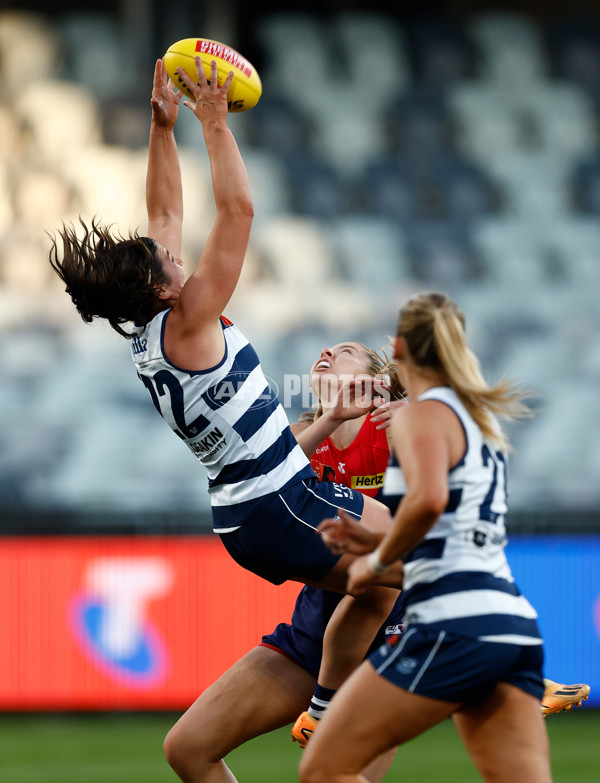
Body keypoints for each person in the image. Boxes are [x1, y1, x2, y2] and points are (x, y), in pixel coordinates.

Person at [47, 54, 403, 753]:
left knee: (403, 551)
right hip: (281, 501)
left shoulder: (154, 327)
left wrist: (162, 129)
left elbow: (165, 212)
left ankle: (358, 697)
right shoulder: (190, 320)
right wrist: (214, 123)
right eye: (168, 261)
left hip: (253, 506)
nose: (175, 254)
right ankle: (337, 707)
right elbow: (239, 211)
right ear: (161, 288)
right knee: (402, 568)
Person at [299, 291, 554, 783]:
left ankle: (321, 705)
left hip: (451, 625)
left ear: (398, 351)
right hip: (511, 625)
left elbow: (429, 502)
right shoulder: (474, 417)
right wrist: (371, 543)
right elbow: (452, 526)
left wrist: (377, 562)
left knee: (324, 769)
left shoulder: (416, 416)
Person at [162, 340, 407, 782]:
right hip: (314, 633)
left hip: (389, 645)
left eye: (347, 351)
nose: (328, 351)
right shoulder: (298, 436)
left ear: (376, 380)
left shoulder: (399, 427)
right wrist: (332, 418)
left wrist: (422, 421)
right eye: (328, 349)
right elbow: (266, 477)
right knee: (187, 748)